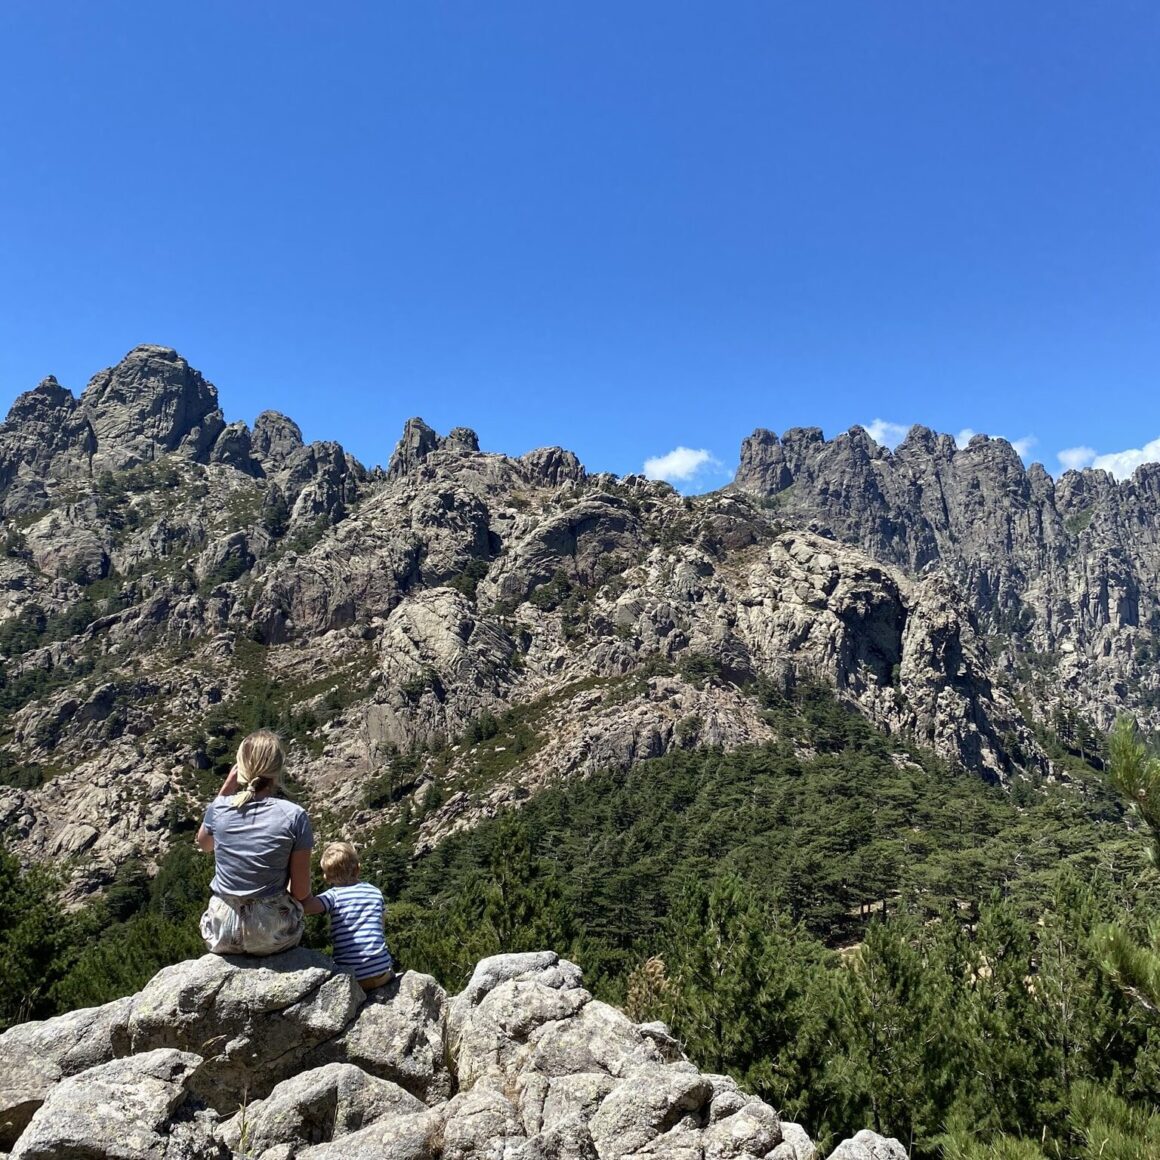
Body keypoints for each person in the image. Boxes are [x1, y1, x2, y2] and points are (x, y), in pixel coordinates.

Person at [195, 729, 313, 955]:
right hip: (272, 933)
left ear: (240, 767)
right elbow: (300, 891)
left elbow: (204, 844)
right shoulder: (295, 815)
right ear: (278, 769)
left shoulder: (220, 807)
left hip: (221, 931)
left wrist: (227, 787)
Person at [303, 841, 395, 990]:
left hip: (353, 978)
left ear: (326, 877)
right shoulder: (375, 891)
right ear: (358, 869)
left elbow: (307, 907)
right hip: (382, 974)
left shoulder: (332, 896)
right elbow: (381, 926)